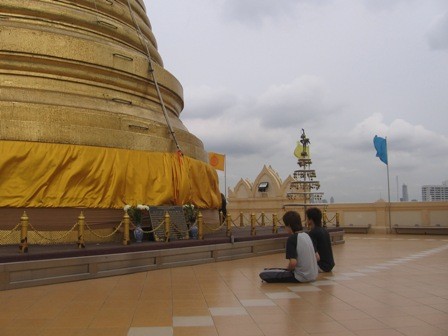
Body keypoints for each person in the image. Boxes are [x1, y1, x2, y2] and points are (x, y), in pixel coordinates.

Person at [259, 211, 318, 283]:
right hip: (313, 275)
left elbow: (293, 263)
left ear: (289, 225)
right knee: (270, 270)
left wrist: (288, 270)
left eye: (285, 226)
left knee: (263, 273)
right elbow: (317, 257)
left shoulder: (292, 238)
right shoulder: (307, 235)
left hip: (300, 277)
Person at [306, 207, 335, 272]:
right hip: (330, 265)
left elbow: (316, 256)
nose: (306, 220)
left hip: (321, 266)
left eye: (307, 218)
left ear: (311, 219)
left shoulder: (313, 232)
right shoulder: (324, 230)